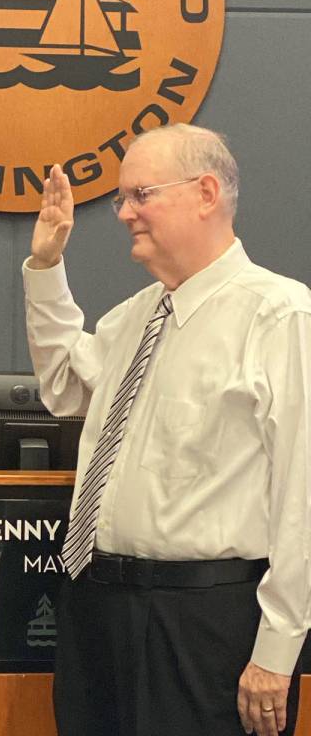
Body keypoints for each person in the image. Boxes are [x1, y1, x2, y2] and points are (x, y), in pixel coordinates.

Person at [23, 124, 311, 736]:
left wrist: (278, 648)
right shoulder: (137, 316)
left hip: (205, 623)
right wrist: (46, 266)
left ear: (206, 193)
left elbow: (303, 497)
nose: (124, 213)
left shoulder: (280, 316)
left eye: (141, 194)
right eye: (122, 198)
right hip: (97, 608)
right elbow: (64, 385)